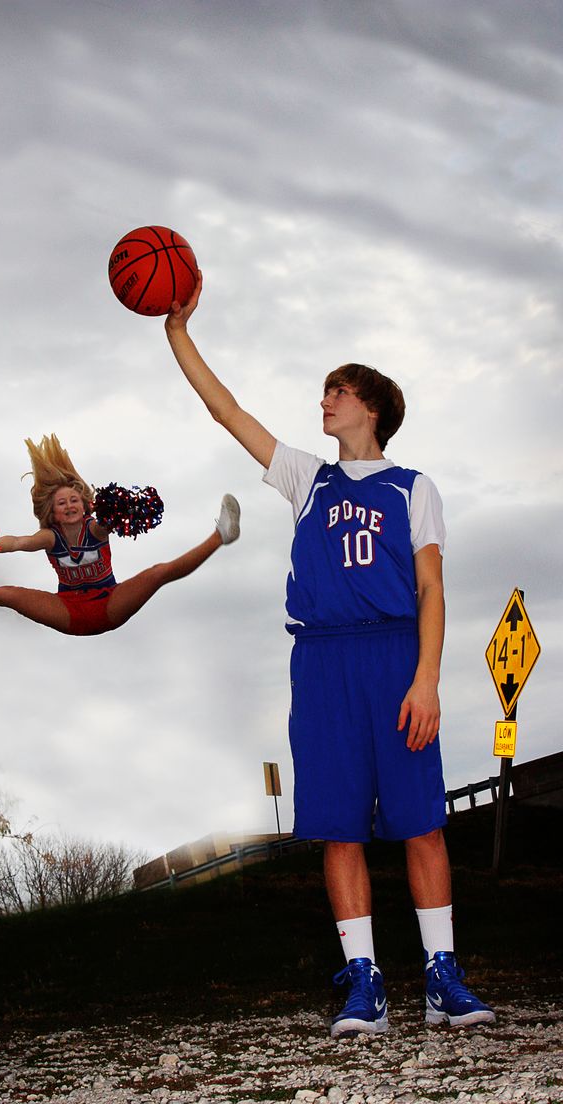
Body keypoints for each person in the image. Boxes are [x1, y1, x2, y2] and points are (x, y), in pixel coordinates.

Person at [164, 274, 495, 1038]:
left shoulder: (413, 487)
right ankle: (365, 981)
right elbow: (226, 411)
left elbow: (433, 588)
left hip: (393, 655)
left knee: (421, 823)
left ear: (371, 407)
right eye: (323, 394)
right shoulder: (305, 478)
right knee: (338, 827)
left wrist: (427, 679)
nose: (324, 403)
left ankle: (443, 976)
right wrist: (179, 332)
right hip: (320, 662)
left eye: (336, 392)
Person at [0, 433, 241, 636]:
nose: (69, 505)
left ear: (85, 504)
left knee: (158, 573)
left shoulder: (96, 527)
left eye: (74, 500)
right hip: (69, 611)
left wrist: (128, 507)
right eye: (62, 502)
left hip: (109, 603)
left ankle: (220, 534)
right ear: (51, 511)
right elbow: (18, 543)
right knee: (5, 594)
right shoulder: (50, 538)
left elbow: (117, 519)